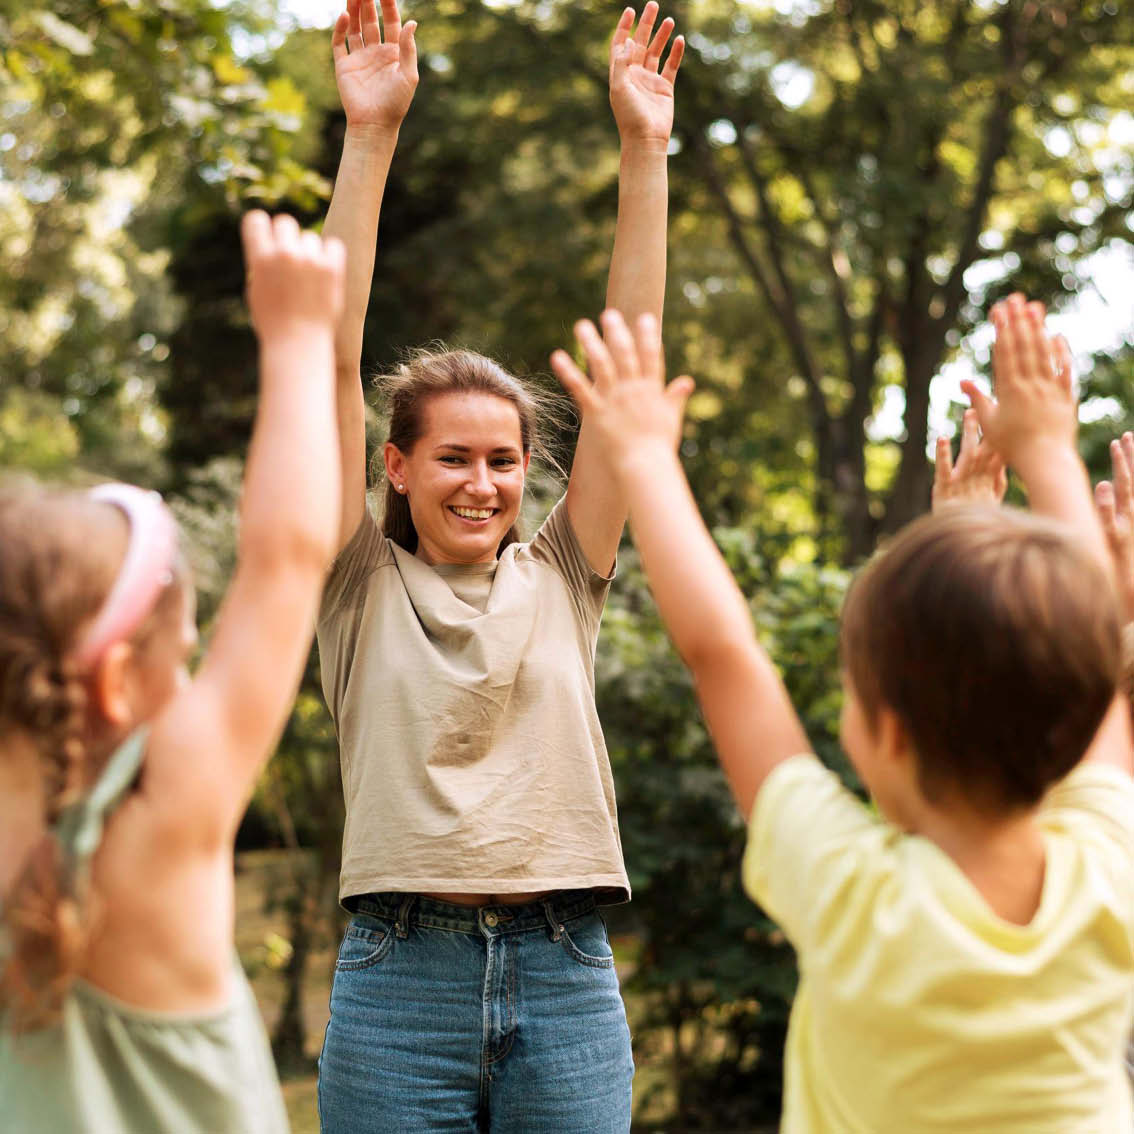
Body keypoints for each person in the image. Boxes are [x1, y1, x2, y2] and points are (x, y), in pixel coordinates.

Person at [551, 294, 1134, 1131]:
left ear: (887, 732)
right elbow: (1089, 662)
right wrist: (1047, 453)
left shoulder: (853, 893)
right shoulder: (1109, 871)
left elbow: (725, 653)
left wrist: (643, 456)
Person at [313, 1, 683, 1129]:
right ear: (398, 466)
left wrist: (644, 152)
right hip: (397, 983)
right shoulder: (357, 582)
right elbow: (326, 357)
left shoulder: (562, 575)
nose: (484, 483)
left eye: (506, 461)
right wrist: (369, 138)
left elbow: (632, 362)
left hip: (565, 975)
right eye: (455, 459)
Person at [0, 212, 345, 1133]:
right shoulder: (153, 825)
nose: (194, 681)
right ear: (115, 684)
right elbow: (285, 560)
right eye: (185, 657)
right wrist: (299, 337)